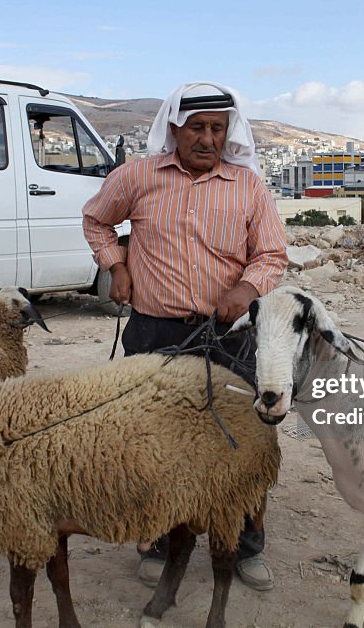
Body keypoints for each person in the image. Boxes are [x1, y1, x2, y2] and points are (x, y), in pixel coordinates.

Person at [82, 82, 287, 591]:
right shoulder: (137, 176)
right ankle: (156, 538)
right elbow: (96, 221)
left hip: (228, 335)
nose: (207, 138)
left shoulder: (249, 187)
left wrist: (245, 287)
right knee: (154, 441)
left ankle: (245, 544)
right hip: (155, 331)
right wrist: (117, 267)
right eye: (197, 127)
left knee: (245, 439)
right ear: (173, 128)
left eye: (217, 128)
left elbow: (272, 255)